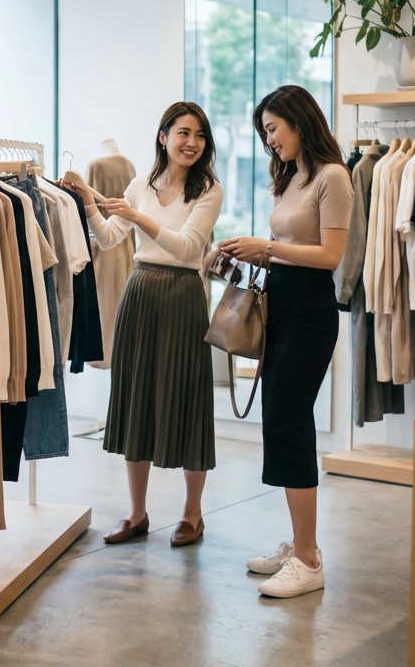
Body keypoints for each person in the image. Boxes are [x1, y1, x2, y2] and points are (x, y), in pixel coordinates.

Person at [62, 101, 223, 548]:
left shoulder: (209, 190)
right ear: (163, 136)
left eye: (200, 135)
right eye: (184, 133)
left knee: (189, 398)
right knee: (136, 398)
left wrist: (136, 216)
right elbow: (109, 237)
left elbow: (187, 248)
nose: (192, 143)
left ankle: (192, 515)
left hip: (183, 295)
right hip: (140, 292)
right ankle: (137, 513)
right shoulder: (141, 184)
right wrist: (87, 200)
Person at [217, 85, 352, 598]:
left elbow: (330, 256)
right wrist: (251, 253)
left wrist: (268, 247)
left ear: (299, 121)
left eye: (273, 128)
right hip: (282, 303)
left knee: (289, 422)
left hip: (310, 314)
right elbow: (292, 247)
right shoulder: (292, 176)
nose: (269, 139)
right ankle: (300, 545)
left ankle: (309, 560)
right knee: (280, 420)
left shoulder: (333, 176)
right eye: (265, 132)